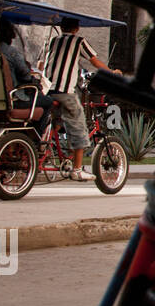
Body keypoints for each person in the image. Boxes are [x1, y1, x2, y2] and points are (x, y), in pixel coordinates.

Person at [43, 17, 120, 182]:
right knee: (80, 129)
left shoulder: (53, 40)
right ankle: (77, 169)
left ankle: (46, 145)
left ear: (62, 27)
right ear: (76, 28)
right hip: (65, 92)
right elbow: (94, 60)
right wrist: (112, 72)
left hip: (48, 90)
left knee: (57, 122)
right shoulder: (78, 41)